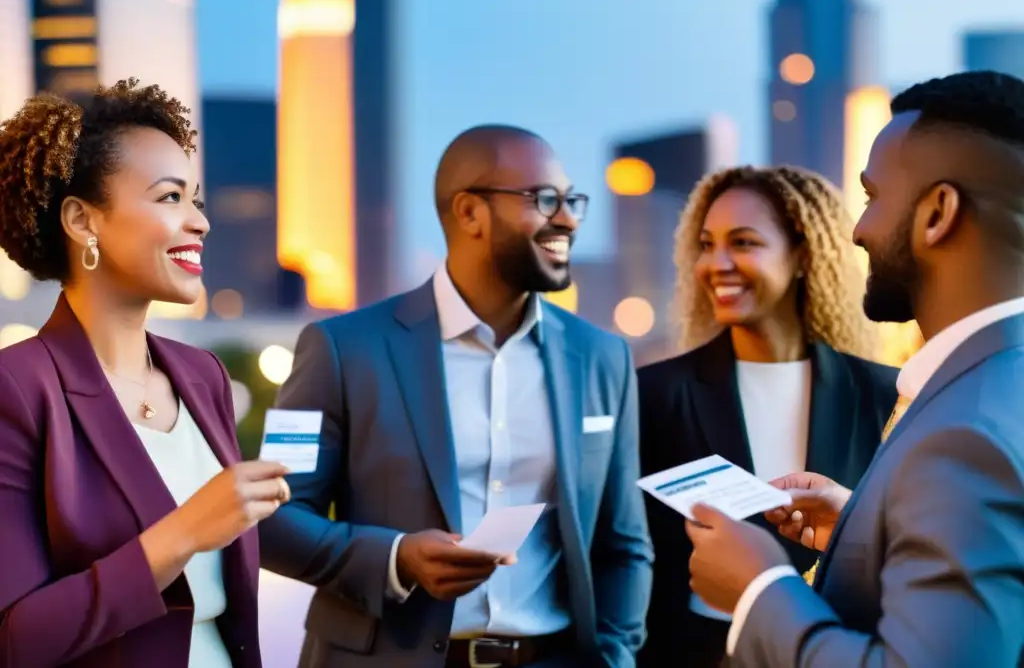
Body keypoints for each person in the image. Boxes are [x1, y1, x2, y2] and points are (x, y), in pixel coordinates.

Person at [259, 124, 653, 667]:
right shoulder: (339, 348)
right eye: (543, 200)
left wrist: (615, 656)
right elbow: (272, 518)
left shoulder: (602, 358)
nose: (567, 218)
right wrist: (395, 559)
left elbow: (623, 543)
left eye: (571, 200)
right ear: (469, 212)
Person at [686, 70, 1024, 667]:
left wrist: (760, 590)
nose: (857, 230)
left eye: (871, 198)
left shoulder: (963, 435)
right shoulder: (998, 383)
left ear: (937, 213)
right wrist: (864, 529)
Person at [0, 80, 289, 668]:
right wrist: (180, 534)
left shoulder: (201, 374)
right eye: (169, 198)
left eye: (196, 199)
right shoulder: (19, 388)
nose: (200, 222)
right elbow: (17, 639)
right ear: (83, 220)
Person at [636, 166, 898, 667]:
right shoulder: (655, 395)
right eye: (707, 245)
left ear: (802, 255)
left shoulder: (885, 394)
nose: (717, 263)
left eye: (743, 242)